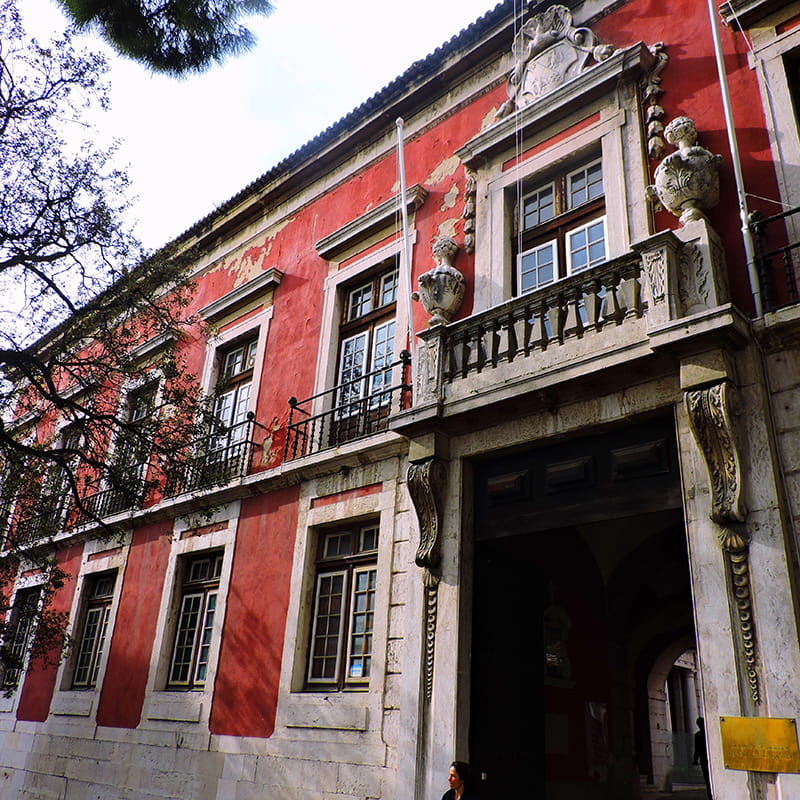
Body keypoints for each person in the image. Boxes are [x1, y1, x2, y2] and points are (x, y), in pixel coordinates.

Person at [693, 717, 712, 800]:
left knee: (707, 779)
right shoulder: (709, 733)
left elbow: (697, 749)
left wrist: (695, 759)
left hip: (704, 759)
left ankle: (710, 796)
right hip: (710, 758)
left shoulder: (698, 735)